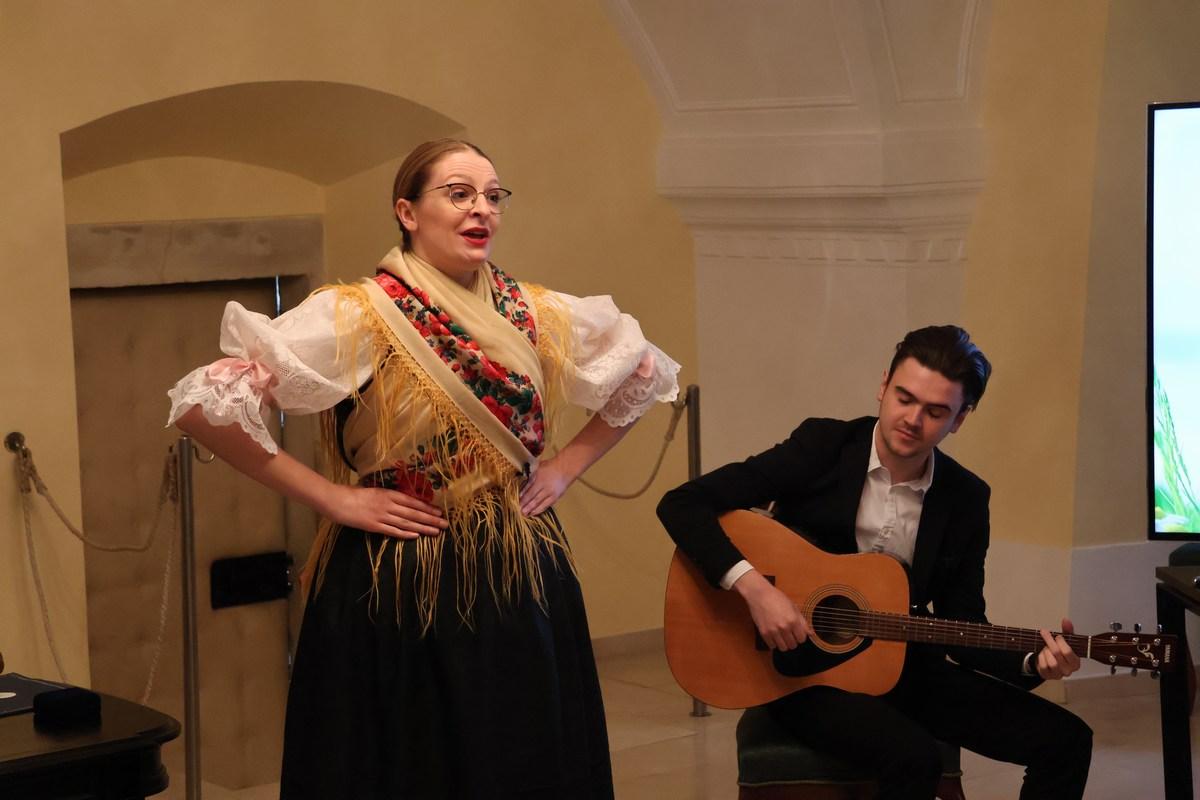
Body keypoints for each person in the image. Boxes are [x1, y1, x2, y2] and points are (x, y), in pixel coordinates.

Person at [167, 138, 680, 799]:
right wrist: (332, 499)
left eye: (492, 196)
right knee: (407, 758)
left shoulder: (534, 310)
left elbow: (645, 370)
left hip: (516, 564)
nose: (481, 209)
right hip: (398, 566)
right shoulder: (356, 314)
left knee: (517, 752)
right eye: (459, 194)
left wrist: (566, 467)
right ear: (407, 212)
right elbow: (202, 405)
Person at [656, 325, 1092, 799]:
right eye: (904, 398)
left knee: (1066, 741)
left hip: (903, 663)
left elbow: (964, 622)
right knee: (913, 757)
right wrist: (756, 589)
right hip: (798, 672)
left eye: (935, 411)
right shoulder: (823, 447)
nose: (912, 419)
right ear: (883, 385)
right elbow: (682, 505)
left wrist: (1032, 662)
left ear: (960, 418)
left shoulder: (965, 497)